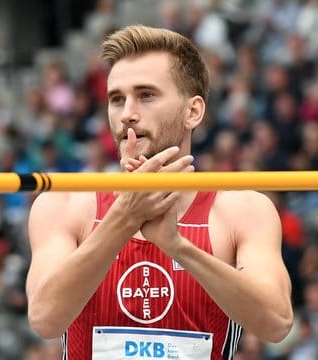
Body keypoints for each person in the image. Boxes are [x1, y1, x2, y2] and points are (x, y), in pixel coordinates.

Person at [26, 25, 293, 359]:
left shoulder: (242, 210)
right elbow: (45, 319)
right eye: (117, 99)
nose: (127, 115)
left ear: (192, 112)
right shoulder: (63, 204)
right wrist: (124, 219)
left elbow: (276, 322)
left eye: (146, 95)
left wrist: (177, 246)